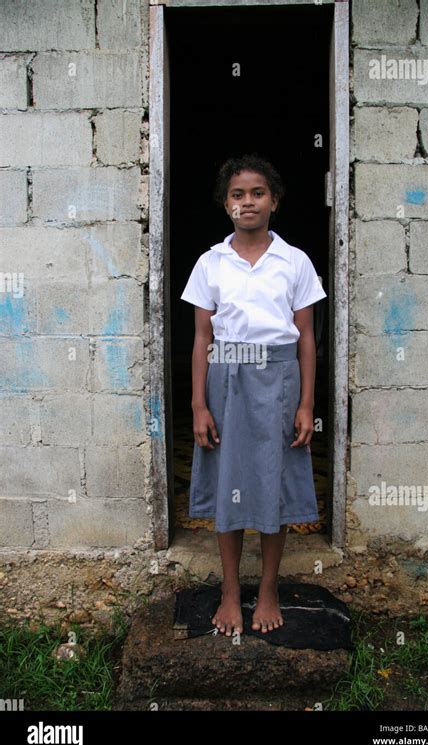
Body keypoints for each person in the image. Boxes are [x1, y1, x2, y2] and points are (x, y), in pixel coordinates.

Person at [180, 153, 327, 637]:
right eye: (238, 195)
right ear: (226, 205)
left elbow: (306, 337)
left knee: (273, 481)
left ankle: (267, 589)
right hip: (226, 380)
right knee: (229, 480)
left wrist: (306, 403)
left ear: (274, 201)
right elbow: (203, 338)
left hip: (279, 381)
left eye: (257, 193)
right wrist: (199, 404)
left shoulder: (295, 261)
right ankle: (228, 591)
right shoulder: (210, 262)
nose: (248, 202)